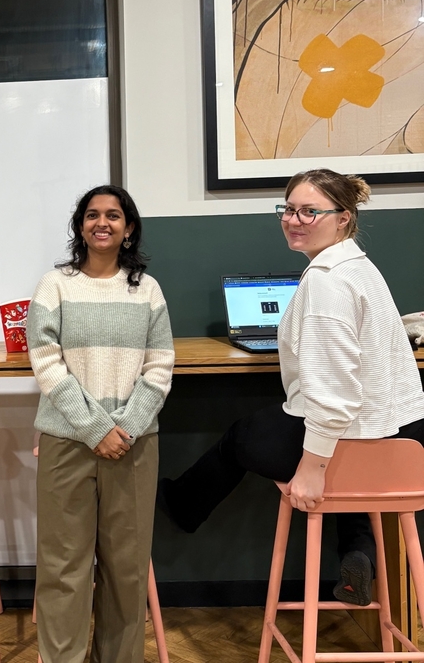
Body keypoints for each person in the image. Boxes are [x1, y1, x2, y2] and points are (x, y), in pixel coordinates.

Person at [159, 168, 424, 608]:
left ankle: (182, 505)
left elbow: (334, 397)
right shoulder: (360, 266)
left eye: (309, 211)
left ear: (343, 218)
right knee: (343, 462)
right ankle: (357, 552)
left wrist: (312, 470)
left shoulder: (325, 282)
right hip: (400, 445)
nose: (294, 220)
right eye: (288, 209)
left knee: (242, 436)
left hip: (354, 441)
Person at [26, 185, 174, 663]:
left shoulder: (149, 292)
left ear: (129, 227)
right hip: (69, 441)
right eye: (92, 215)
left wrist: (126, 428)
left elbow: (160, 365)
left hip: (133, 444)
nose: (102, 223)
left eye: (113, 215)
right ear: (80, 226)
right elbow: (45, 361)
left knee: (126, 565)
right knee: (63, 566)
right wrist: (95, 429)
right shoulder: (55, 284)